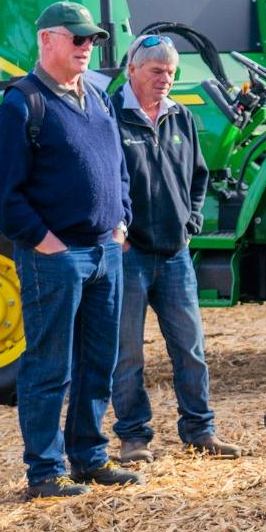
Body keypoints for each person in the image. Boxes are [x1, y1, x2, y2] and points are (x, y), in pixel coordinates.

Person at [0, 1, 142, 499]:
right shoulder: (21, 104)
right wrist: (45, 241)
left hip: (104, 251)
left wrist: (121, 223)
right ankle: (44, 472)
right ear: (47, 40)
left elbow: (118, 168)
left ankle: (89, 459)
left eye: (91, 40)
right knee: (50, 367)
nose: (86, 47)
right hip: (55, 255)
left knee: (98, 363)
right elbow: (2, 192)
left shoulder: (96, 97)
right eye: (77, 39)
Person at [111, 34, 239, 462]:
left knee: (190, 348)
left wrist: (191, 223)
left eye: (170, 71)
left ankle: (200, 431)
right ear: (132, 70)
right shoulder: (111, 116)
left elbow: (199, 176)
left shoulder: (180, 117)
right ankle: (133, 437)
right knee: (127, 353)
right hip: (128, 256)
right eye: (156, 71)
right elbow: (102, 181)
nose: (165, 78)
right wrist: (118, 231)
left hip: (174, 254)